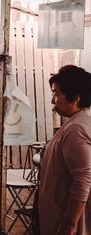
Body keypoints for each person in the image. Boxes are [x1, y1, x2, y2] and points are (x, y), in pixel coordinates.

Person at [39, 65, 91, 235]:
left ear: (75, 98)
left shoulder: (76, 129)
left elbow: (83, 178)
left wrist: (69, 224)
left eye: (56, 93)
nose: (53, 100)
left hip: (64, 222)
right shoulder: (74, 123)